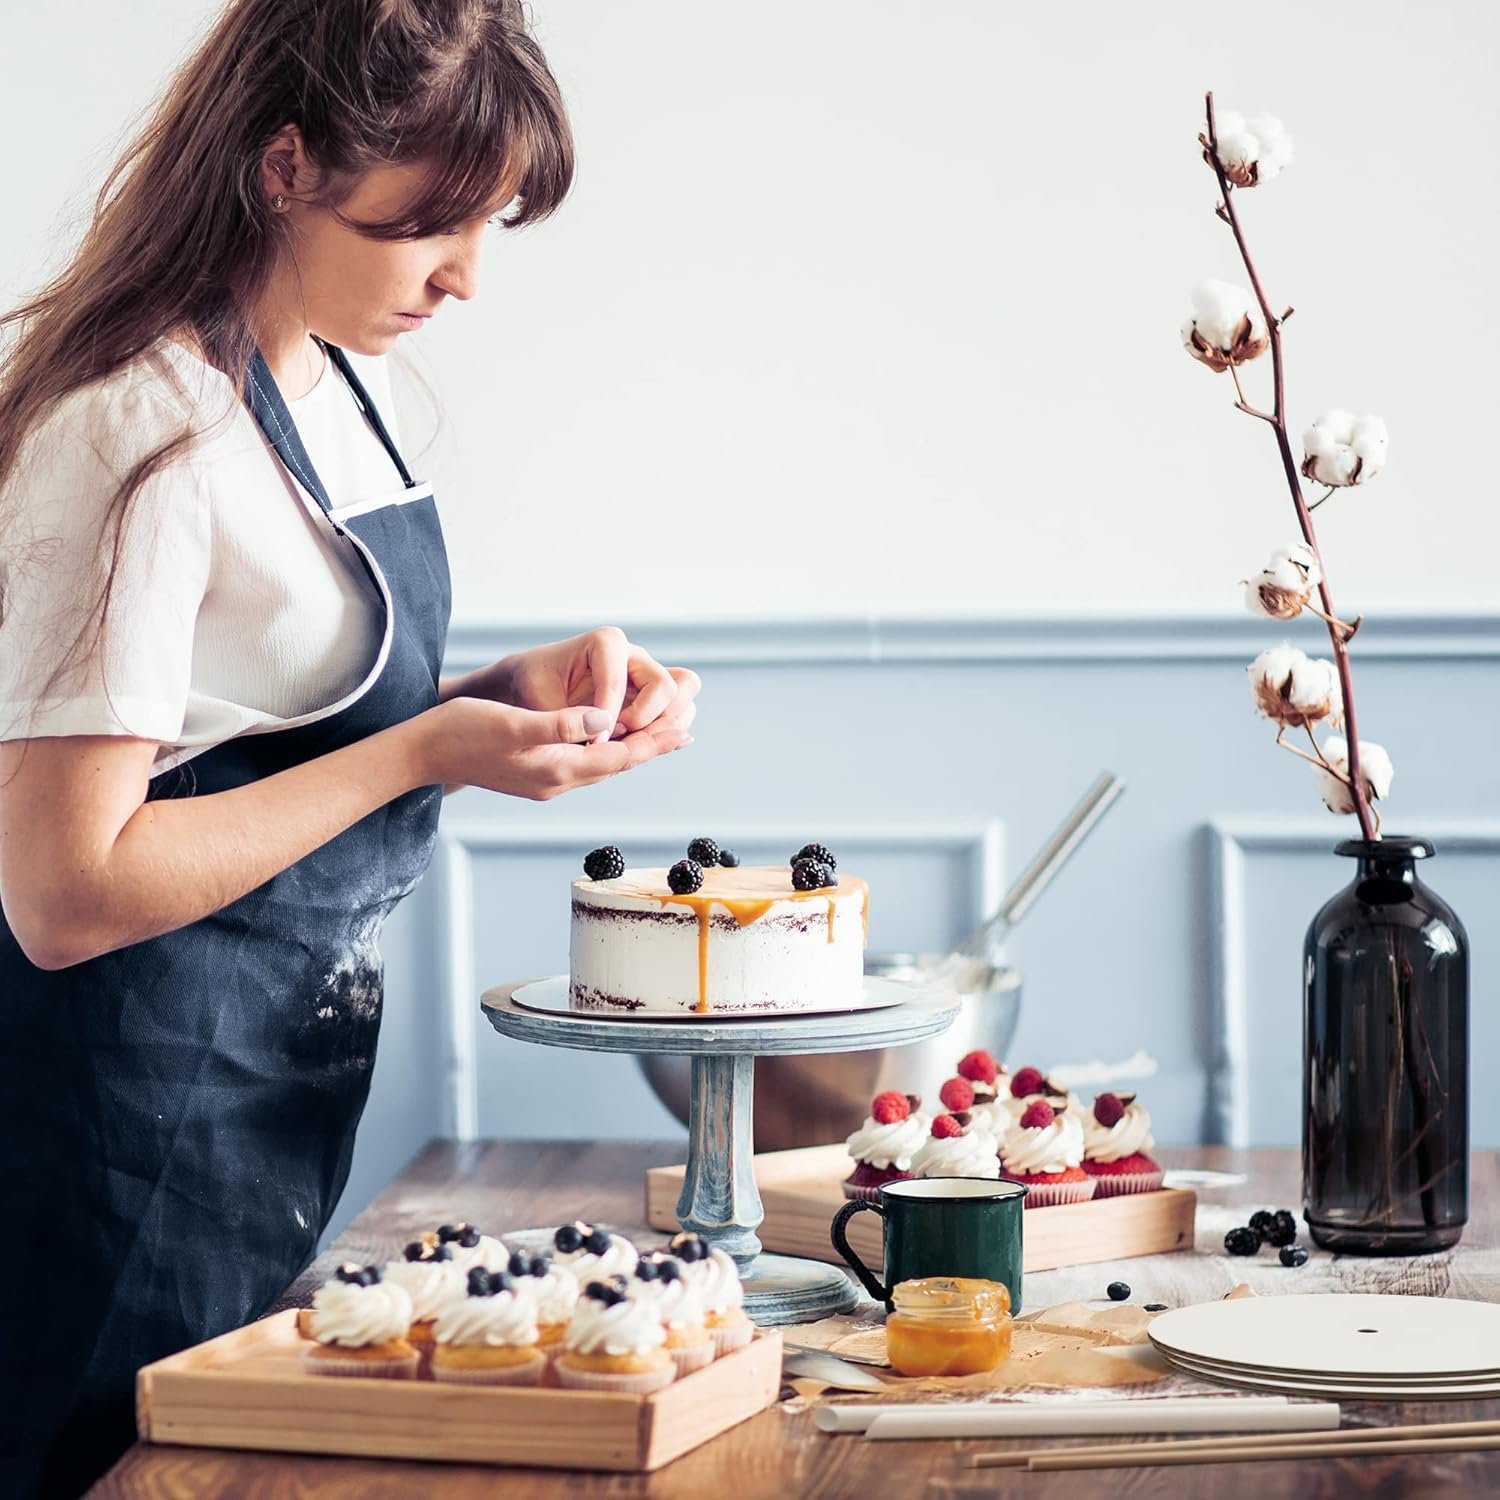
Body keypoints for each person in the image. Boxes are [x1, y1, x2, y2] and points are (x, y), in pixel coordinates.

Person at [0, 3, 698, 1492]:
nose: (465, 277)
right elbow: (63, 891)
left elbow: (253, 718)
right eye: (430, 225)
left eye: (489, 224)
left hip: (260, 1114)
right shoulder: (133, 428)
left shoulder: (319, 379)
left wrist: (500, 697)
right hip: (111, 1140)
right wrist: (423, 750)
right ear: (283, 167)